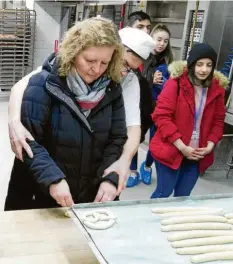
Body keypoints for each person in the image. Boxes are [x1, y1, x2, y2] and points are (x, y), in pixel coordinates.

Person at [7, 22, 156, 209]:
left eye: (105, 62)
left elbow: (118, 137)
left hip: (88, 192)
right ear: (74, 52)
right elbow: (30, 140)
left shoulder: (113, 88)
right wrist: (53, 179)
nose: (97, 69)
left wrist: (111, 176)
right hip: (42, 192)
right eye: (90, 60)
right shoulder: (46, 83)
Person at [149, 43, 228, 199]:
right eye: (199, 64)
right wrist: (181, 146)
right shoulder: (176, 84)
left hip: (197, 154)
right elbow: (161, 116)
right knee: (163, 193)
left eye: (209, 65)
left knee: (183, 196)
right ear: (192, 64)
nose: (204, 69)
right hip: (171, 149)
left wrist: (210, 145)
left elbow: (218, 121)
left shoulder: (217, 90)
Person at [126, 23, 173, 187]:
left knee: (155, 143)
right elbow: (133, 81)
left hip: (160, 109)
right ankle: (132, 171)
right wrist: (150, 81)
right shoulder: (142, 58)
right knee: (135, 139)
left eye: (165, 41)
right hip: (141, 107)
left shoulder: (169, 62)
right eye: (159, 39)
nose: (161, 44)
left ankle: (146, 166)